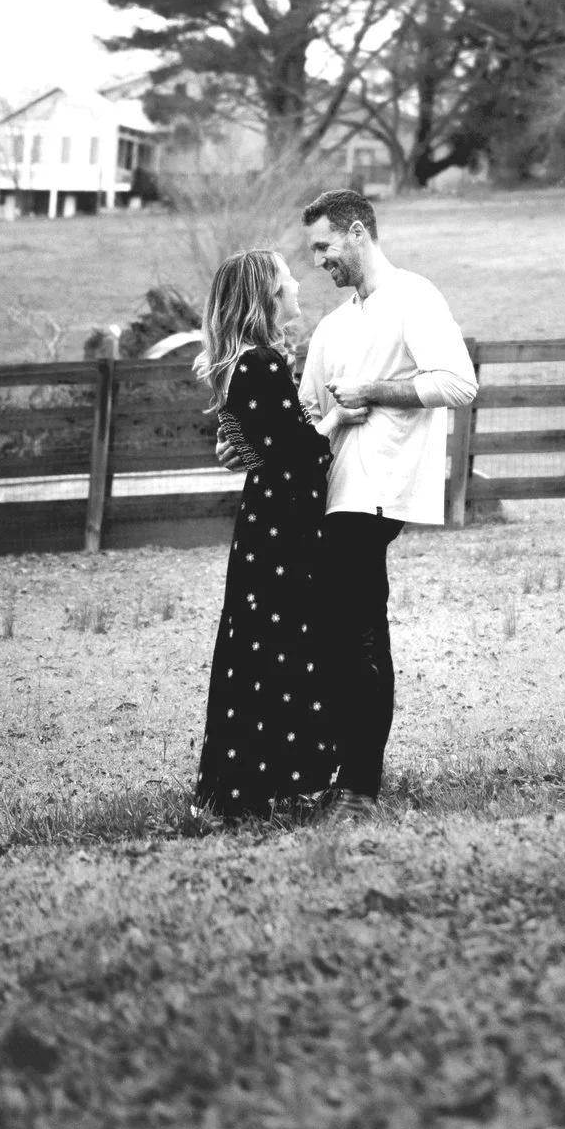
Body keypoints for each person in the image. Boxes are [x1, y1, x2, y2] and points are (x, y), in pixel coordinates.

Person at [297, 188, 478, 807]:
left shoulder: (414, 296)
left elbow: (458, 383)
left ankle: (359, 790)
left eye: (323, 245)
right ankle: (332, 775)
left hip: (378, 490)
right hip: (331, 492)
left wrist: (373, 390)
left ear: (356, 233)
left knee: (361, 634)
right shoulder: (335, 323)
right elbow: (306, 409)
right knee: (334, 635)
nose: (318, 259)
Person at [189, 248, 357, 819]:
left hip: (266, 520)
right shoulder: (260, 362)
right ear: (266, 295)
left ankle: (247, 788)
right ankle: (253, 790)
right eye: (288, 282)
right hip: (283, 524)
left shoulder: (244, 363)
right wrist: (339, 417)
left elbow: (249, 440)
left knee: (257, 646)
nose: (297, 290)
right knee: (276, 648)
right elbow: (298, 450)